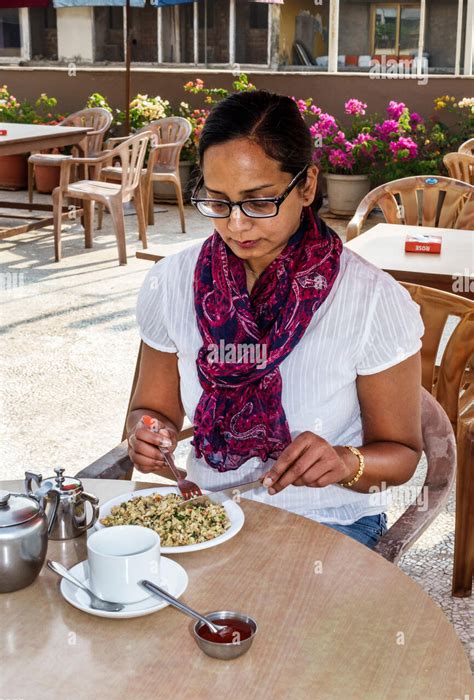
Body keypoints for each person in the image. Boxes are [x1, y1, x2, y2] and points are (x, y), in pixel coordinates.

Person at [127, 90, 425, 549]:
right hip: (210, 512)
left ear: (306, 186)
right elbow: (152, 411)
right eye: (218, 202)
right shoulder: (172, 283)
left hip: (328, 520)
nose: (237, 226)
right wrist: (149, 435)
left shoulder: (371, 300)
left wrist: (347, 463)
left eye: (260, 201)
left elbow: (402, 455)